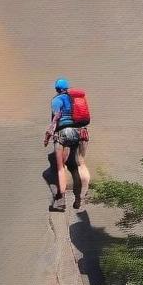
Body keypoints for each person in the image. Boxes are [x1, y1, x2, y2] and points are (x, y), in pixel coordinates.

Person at [43, 77, 91, 210]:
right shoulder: (76, 99)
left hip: (64, 132)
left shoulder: (57, 100)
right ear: (67, 88)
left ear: (57, 89)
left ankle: (61, 201)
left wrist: (48, 135)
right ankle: (80, 196)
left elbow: (56, 117)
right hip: (81, 132)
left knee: (60, 167)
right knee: (80, 163)